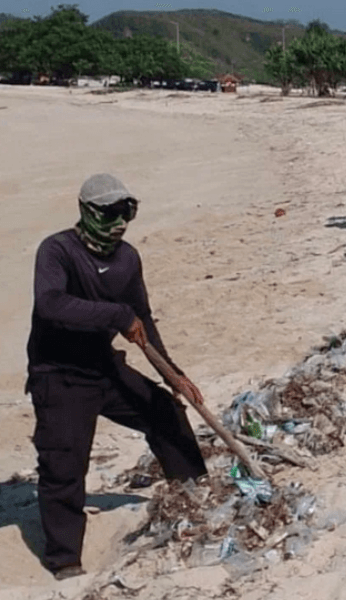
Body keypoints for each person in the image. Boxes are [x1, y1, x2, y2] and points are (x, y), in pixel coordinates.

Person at [26, 174, 208, 581]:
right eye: (110, 212)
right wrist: (115, 315)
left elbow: (140, 316)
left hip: (104, 368)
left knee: (165, 411)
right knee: (64, 465)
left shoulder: (126, 258)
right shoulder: (56, 251)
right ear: (87, 212)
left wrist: (173, 373)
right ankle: (63, 559)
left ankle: (197, 491)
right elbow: (51, 305)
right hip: (59, 376)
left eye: (127, 211)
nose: (120, 222)